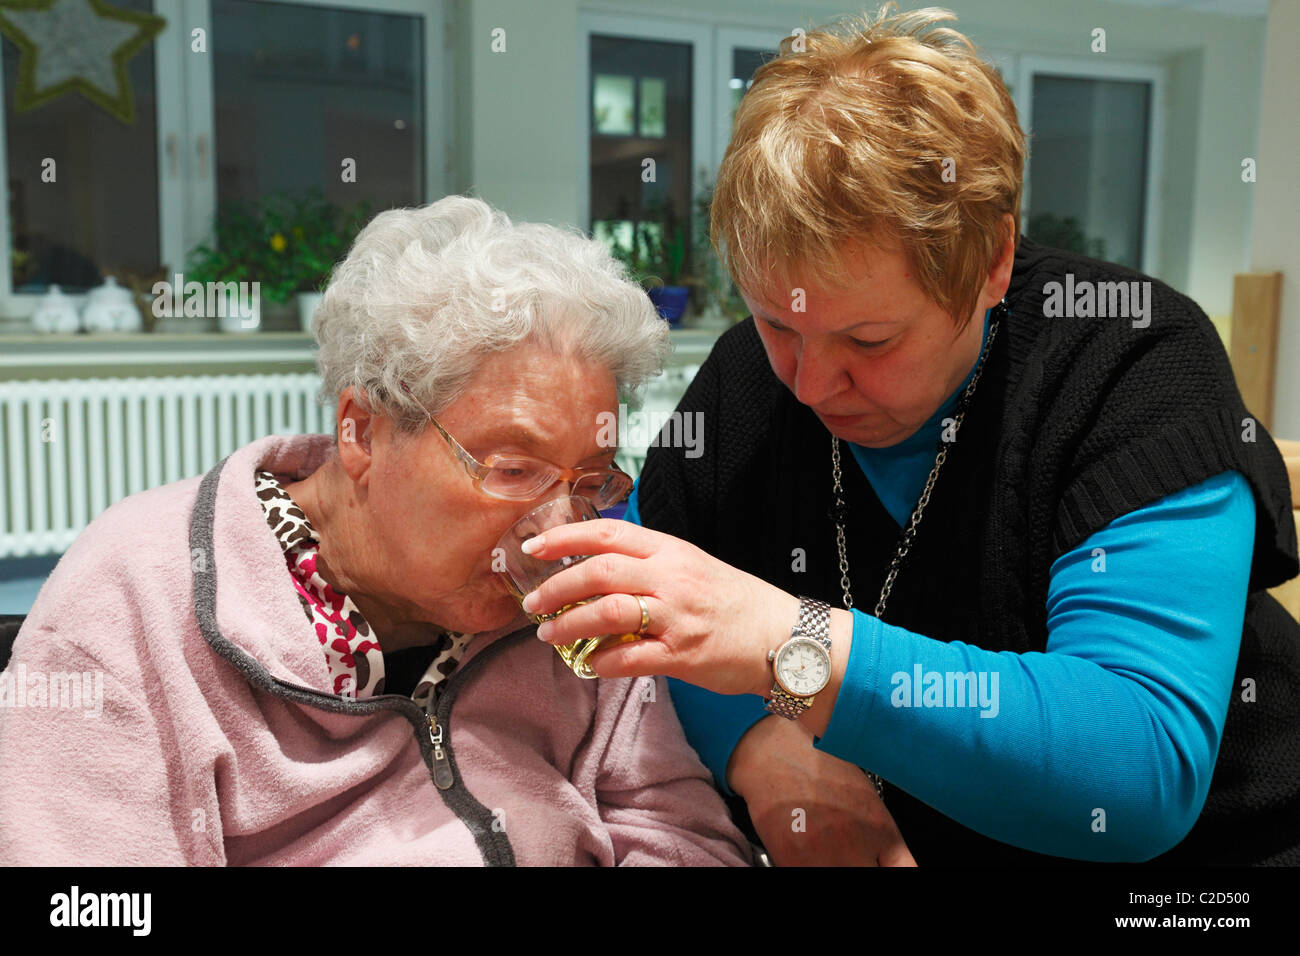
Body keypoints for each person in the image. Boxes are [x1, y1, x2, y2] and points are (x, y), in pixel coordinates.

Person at [517, 4, 1300, 865]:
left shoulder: (1132, 359)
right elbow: (648, 596)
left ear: (992, 261)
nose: (811, 385)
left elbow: (1137, 769)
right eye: (778, 322)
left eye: (871, 341)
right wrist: (760, 747)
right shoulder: (747, 383)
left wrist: (790, 646)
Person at [0, 196, 753, 867]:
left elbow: (682, 832)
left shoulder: (579, 589)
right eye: (514, 469)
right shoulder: (136, 600)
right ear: (362, 431)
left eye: (588, 481)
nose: (556, 528)